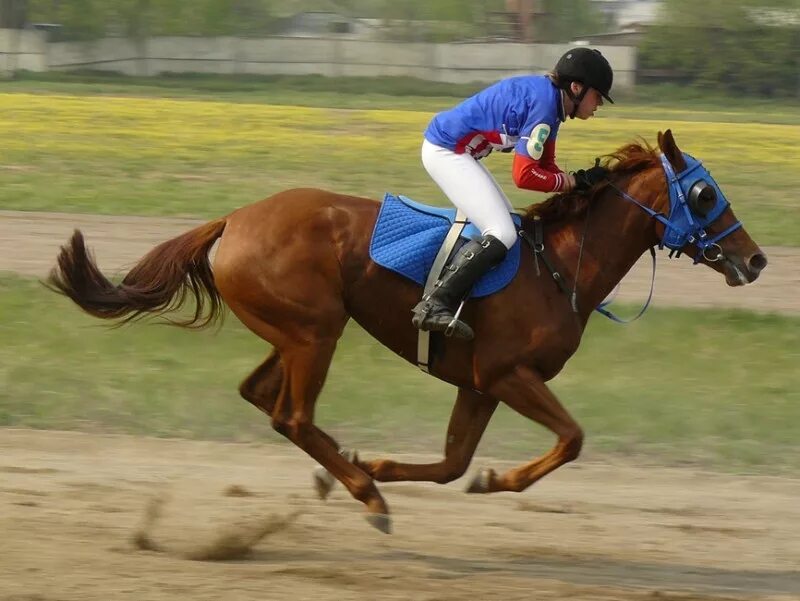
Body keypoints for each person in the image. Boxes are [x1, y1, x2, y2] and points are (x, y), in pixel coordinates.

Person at [411, 47, 615, 340]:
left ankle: (476, 305)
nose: (599, 105)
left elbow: (546, 165)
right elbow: (524, 175)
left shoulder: (553, 105)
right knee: (503, 232)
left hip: (457, 151)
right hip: (446, 150)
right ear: (577, 88)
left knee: (510, 226)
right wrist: (572, 183)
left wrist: (576, 182)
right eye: (598, 96)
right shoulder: (546, 106)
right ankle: (434, 304)